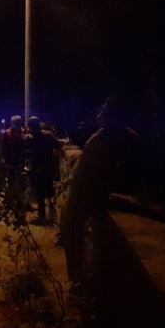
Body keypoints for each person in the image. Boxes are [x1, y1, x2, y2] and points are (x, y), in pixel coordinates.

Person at [61, 98, 140, 287]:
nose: (99, 115)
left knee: (72, 229)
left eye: (104, 112)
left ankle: (79, 278)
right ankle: (79, 275)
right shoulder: (105, 136)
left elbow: (121, 173)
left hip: (89, 195)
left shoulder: (118, 139)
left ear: (115, 117)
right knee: (72, 230)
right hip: (87, 192)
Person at [25, 116, 62, 223]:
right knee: (49, 191)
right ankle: (52, 215)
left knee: (40, 193)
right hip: (48, 167)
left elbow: (26, 152)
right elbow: (57, 145)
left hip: (37, 169)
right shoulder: (48, 135)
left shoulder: (29, 138)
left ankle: (42, 216)